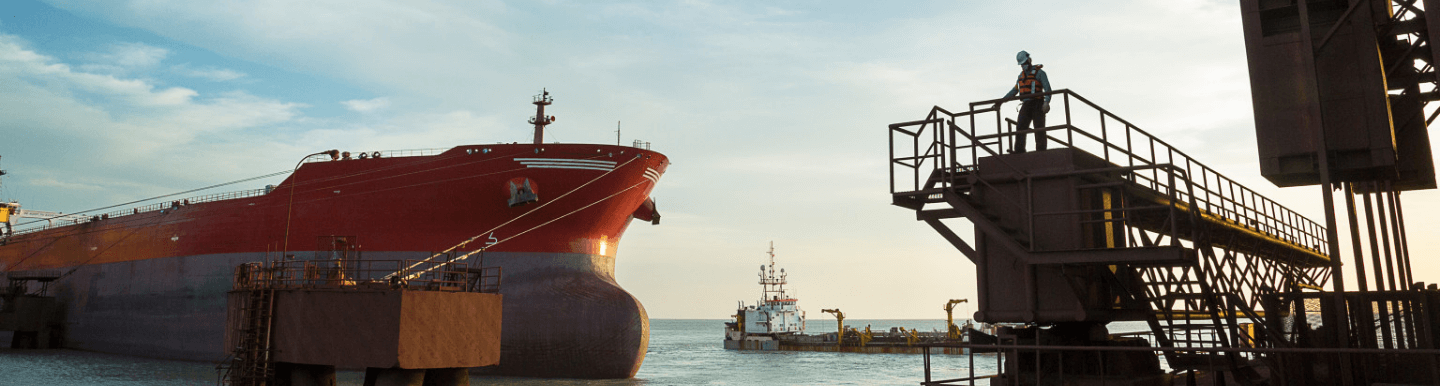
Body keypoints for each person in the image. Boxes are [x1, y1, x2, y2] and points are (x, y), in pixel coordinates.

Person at [998, 50, 1052, 153]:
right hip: (1026, 105)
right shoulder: (1020, 77)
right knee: (1020, 127)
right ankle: (1019, 151)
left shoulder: (1040, 73)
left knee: (1039, 128)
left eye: (1025, 63)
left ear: (1029, 61)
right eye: (1022, 64)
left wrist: (1046, 102)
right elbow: (1014, 91)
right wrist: (1001, 101)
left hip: (1038, 104)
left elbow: (1048, 89)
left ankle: (1041, 151)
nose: (1023, 66)